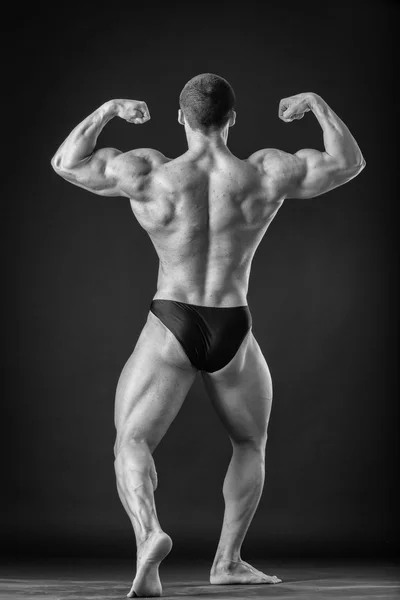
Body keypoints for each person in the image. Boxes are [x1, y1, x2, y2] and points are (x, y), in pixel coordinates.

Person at [51, 73, 366, 597]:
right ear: (232, 119)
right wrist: (316, 103)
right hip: (233, 323)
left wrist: (108, 109)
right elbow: (348, 162)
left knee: (132, 440)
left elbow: (66, 162)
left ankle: (149, 535)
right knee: (249, 442)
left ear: (180, 117)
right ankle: (227, 561)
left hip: (170, 321)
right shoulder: (265, 172)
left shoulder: (149, 172)